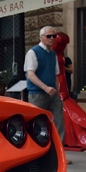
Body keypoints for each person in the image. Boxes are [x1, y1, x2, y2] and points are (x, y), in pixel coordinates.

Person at [24, 26, 70, 164]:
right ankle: (34, 155)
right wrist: (45, 87)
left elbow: (56, 75)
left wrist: (57, 90)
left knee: (58, 123)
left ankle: (58, 155)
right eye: (49, 36)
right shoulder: (33, 52)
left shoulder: (53, 54)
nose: (52, 39)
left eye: (54, 36)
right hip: (37, 93)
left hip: (52, 93)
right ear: (41, 37)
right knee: (35, 124)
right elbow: (30, 74)